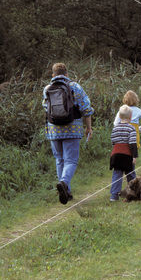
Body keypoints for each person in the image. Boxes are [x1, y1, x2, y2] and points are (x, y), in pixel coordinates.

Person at [42, 63, 94, 204]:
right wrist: (88, 127)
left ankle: (67, 193)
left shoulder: (47, 89)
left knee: (60, 160)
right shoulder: (75, 87)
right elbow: (86, 108)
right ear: (66, 74)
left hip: (53, 130)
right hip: (72, 128)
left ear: (53, 75)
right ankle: (64, 183)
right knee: (71, 160)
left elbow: (45, 107)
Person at [109, 105, 138, 201]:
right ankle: (134, 193)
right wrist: (134, 156)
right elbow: (132, 143)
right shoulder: (131, 128)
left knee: (117, 175)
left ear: (120, 116)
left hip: (116, 155)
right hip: (127, 155)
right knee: (131, 174)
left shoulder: (115, 128)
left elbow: (113, 141)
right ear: (130, 117)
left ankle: (114, 196)